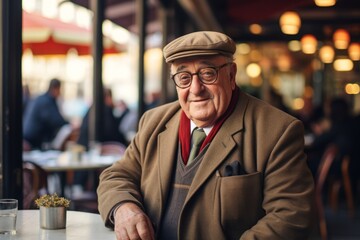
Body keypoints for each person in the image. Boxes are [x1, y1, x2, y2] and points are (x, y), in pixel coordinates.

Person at [97, 31, 314, 240]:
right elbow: (116, 176)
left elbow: (290, 216)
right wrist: (124, 207)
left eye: (207, 73)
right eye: (183, 77)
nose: (196, 88)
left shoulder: (278, 130)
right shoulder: (153, 121)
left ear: (231, 75)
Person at [23, 78, 69, 150]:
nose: (60, 93)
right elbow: (56, 120)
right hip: (31, 141)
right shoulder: (46, 102)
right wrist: (69, 124)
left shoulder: (43, 99)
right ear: (55, 88)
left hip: (32, 139)